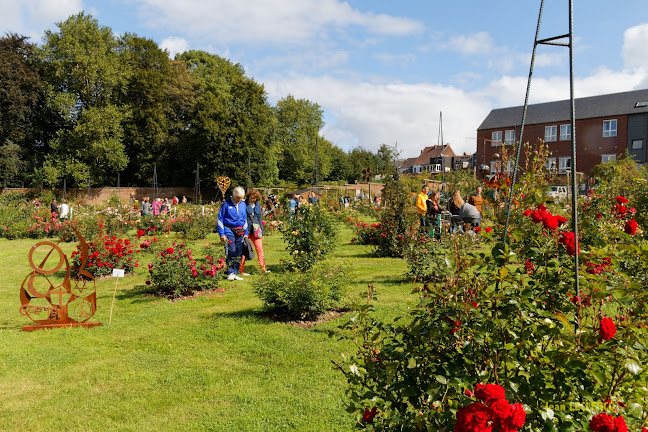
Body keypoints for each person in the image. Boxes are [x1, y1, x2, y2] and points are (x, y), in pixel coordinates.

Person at [218, 186, 248, 281]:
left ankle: (235, 272)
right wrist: (221, 234)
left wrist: (246, 232)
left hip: (240, 231)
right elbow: (220, 219)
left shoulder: (243, 204)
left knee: (238, 252)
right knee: (232, 250)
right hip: (229, 230)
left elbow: (245, 218)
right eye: (238, 198)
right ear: (233, 196)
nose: (239, 200)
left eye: (241, 198)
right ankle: (230, 272)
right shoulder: (226, 204)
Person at [239, 189, 270, 275]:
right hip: (246, 230)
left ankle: (263, 268)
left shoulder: (257, 205)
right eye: (251, 198)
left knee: (260, 249)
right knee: (244, 250)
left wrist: (262, 232)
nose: (252, 199)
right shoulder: (243, 205)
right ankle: (241, 270)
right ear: (248, 196)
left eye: (254, 198)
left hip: (256, 231)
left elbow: (259, 218)